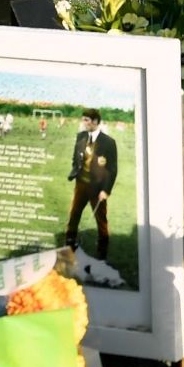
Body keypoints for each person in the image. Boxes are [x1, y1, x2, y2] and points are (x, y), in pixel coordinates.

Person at [63, 109, 118, 258]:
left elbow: (113, 169)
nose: (84, 123)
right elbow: (76, 158)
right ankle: (69, 246)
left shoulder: (109, 142)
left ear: (95, 122)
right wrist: (75, 169)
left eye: (87, 120)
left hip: (98, 188)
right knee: (74, 215)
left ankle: (102, 252)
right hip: (81, 185)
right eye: (83, 120)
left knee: (101, 220)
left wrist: (106, 190)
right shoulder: (80, 137)